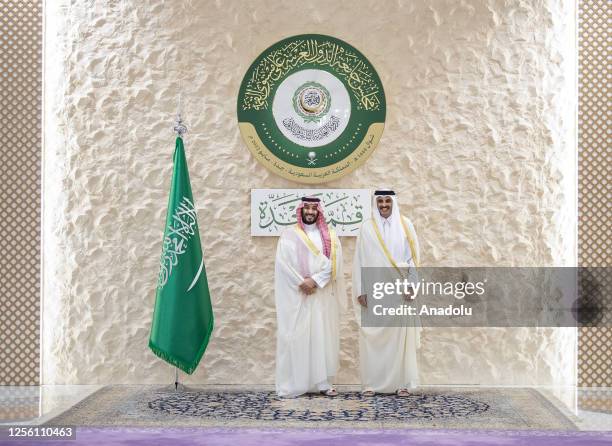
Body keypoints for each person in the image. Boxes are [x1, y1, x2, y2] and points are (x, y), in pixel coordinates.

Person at [274, 196, 346, 397]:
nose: (310, 212)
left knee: (321, 337)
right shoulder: (288, 235)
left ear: (319, 212)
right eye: (307, 208)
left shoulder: (330, 236)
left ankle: (322, 383)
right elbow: (283, 264)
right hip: (298, 295)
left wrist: (314, 280)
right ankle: (293, 383)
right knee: (296, 337)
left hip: (321, 295)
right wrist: (301, 282)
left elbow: (335, 264)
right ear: (301, 210)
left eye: (314, 208)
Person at [352, 189, 421, 396]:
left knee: (399, 339)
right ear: (375, 203)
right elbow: (359, 260)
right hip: (373, 290)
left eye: (387, 201)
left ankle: (401, 384)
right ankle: (371, 384)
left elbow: (413, 259)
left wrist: (412, 285)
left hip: (399, 291)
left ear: (394, 203)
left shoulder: (406, 225)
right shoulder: (366, 227)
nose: (384, 205)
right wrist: (360, 290)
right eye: (380, 201)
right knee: (372, 338)